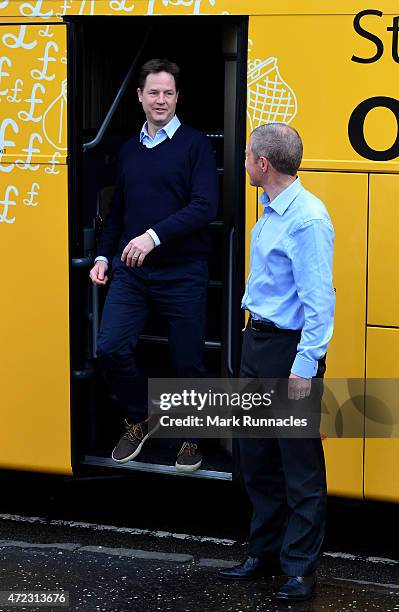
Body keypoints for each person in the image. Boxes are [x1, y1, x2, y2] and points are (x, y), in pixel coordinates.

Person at [218, 123, 335, 602]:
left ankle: (299, 570)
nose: (244, 161)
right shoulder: (270, 210)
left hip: (289, 354)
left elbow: (320, 303)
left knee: (300, 468)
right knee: (256, 457)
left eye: (247, 155)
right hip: (258, 344)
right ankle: (263, 553)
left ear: (262, 164)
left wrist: (305, 367)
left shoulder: (307, 219)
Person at [89, 58, 218, 472]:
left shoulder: (196, 144)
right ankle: (138, 418)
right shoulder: (128, 149)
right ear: (140, 96)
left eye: (168, 93)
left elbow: (205, 206)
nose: (161, 99)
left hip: (183, 273)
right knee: (110, 348)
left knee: (186, 363)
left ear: (178, 97)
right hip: (132, 272)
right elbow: (119, 211)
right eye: (154, 92)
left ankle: (190, 438)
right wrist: (103, 255)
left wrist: (153, 236)